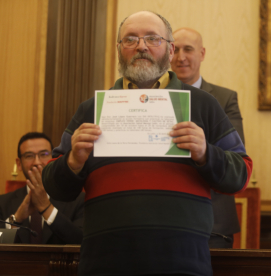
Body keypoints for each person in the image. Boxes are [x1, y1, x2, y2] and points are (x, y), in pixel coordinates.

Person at [42, 11, 252, 276]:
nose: (141, 46)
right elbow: (53, 185)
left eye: (152, 38)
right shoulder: (92, 109)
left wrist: (205, 153)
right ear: (119, 50)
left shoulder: (203, 105)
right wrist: (73, 162)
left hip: (183, 261)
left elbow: (241, 173)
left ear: (170, 49)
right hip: (105, 261)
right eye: (130, 40)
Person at [171, 27, 244, 248]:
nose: (181, 57)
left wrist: (202, 149)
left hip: (213, 223)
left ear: (202, 54)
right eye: (175, 49)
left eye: (188, 49)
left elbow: (235, 156)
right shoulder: (153, 97)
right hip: (167, 218)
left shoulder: (225, 98)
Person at [0, 132, 84, 244]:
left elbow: (82, 242)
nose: (37, 162)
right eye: (29, 156)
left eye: (43, 154)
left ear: (54, 158)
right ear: (19, 163)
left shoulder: (77, 200)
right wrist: (17, 218)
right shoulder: (2, 203)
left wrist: (46, 208)